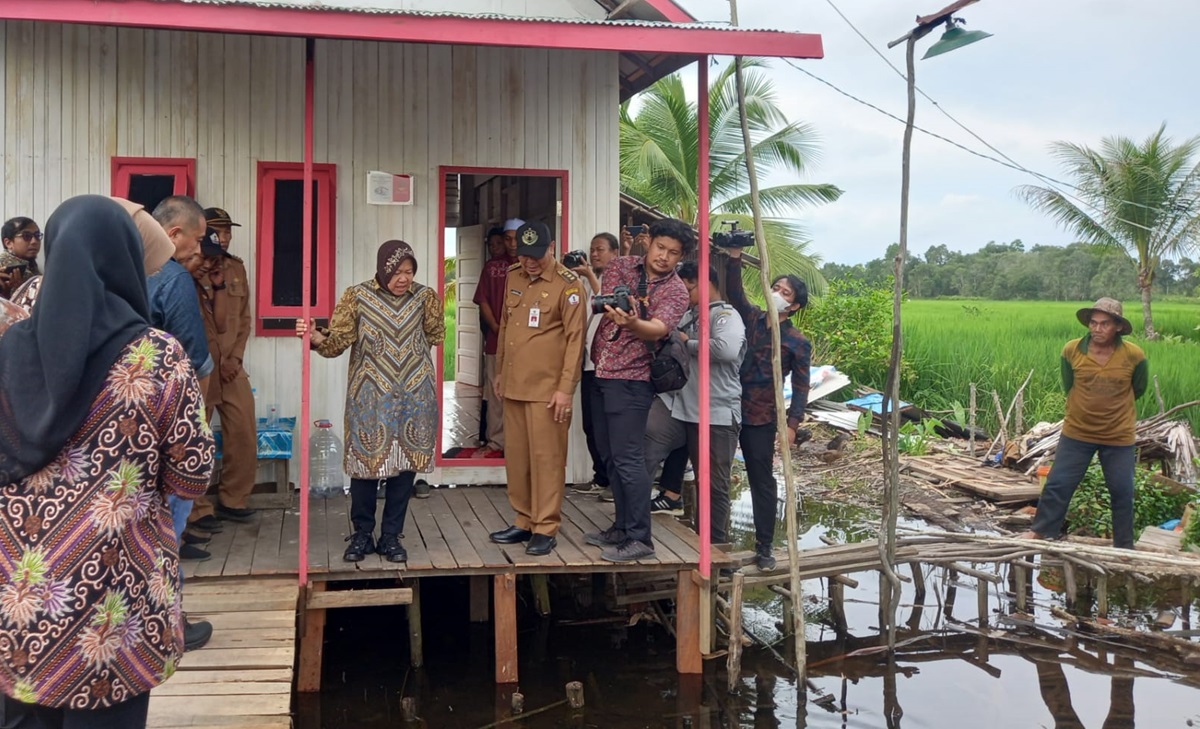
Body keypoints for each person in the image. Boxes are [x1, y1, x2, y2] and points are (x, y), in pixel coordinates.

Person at [0, 195, 213, 727]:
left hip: (18, 600)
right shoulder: (157, 356)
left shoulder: (8, 344)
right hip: (115, 607)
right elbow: (191, 475)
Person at [296, 241, 445, 563]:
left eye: (409, 271)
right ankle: (362, 534)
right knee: (365, 467)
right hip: (370, 398)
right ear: (383, 269)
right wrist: (317, 338)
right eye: (397, 272)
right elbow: (337, 342)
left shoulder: (425, 298)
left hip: (413, 398)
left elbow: (436, 334)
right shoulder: (357, 296)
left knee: (404, 468)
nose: (404, 278)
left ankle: (391, 536)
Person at [584, 219, 691, 563]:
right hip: (601, 371)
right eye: (660, 247)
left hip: (633, 378)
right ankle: (621, 527)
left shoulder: (677, 291)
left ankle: (640, 538)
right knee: (609, 455)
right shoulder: (621, 265)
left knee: (629, 459)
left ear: (680, 257)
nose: (664, 256)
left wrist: (633, 322)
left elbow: (658, 328)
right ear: (649, 242)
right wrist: (625, 311)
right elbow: (607, 299)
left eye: (673, 253)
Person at [488, 222, 586, 556]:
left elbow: (575, 341)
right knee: (517, 460)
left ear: (552, 247)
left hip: (548, 390)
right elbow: (506, 326)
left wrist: (565, 389)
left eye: (536, 255)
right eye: (524, 255)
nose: (530, 262)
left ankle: (545, 526)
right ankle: (523, 520)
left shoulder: (568, 285)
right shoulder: (514, 276)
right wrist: (500, 372)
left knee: (546, 460)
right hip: (514, 384)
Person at [1019, 298, 1147, 549]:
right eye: (1093, 323)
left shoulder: (1134, 355)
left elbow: (1138, 388)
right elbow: (1070, 386)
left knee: (1122, 490)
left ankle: (1124, 546)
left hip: (1118, 435)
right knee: (1058, 483)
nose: (1097, 328)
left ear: (1118, 327)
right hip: (1078, 432)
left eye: (1104, 324)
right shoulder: (1072, 350)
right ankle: (1040, 532)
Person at [643, 262, 746, 544]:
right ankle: (633, 525)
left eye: (688, 288)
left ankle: (714, 547)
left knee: (712, 485)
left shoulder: (725, 316)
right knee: (641, 454)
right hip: (680, 407)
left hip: (715, 414)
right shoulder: (687, 315)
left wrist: (688, 343)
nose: (684, 294)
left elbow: (726, 349)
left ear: (705, 283)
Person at [725, 246, 812, 571]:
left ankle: (764, 546)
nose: (777, 294)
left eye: (785, 292)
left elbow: (801, 387)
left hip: (761, 416)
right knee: (718, 474)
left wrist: (791, 425)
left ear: (794, 305)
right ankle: (717, 542)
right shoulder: (752, 319)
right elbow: (735, 292)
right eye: (775, 288)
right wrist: (735, 258)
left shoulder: (797, 341)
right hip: (727, 406)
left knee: (761, 480)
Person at [195, 207, 258, 525]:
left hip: (232, 365)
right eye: (218, 231)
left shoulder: (236, 269)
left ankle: (234, 499)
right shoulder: (192, 267)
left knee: (244, 430)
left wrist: (235, 358)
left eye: (228, 231)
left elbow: (244, 319)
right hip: (200, 367)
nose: (225, 237)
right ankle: (197, 509)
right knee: (196, 436)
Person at [569, 232, 619, 496]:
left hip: (608, 366)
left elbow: (610, 304)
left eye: (600, 249)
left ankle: (613, 483)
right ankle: (601, 477)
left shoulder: (618, 279)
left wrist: (589, 276)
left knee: (608, 428)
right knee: (590, 425)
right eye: (592, 250)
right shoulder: (587, 283)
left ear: (615, 253)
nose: (595, 254)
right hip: (588, 363)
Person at [473, 219, 523, 455]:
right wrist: (496, 326)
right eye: (507, 239)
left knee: (522, 393)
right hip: (496, 342)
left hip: (526, 344)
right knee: (496, 393)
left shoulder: (531, 264)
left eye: (516, 239)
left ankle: (518, 442)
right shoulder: (492, 267)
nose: (512, 244)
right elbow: (482, 299)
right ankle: (496, 443)